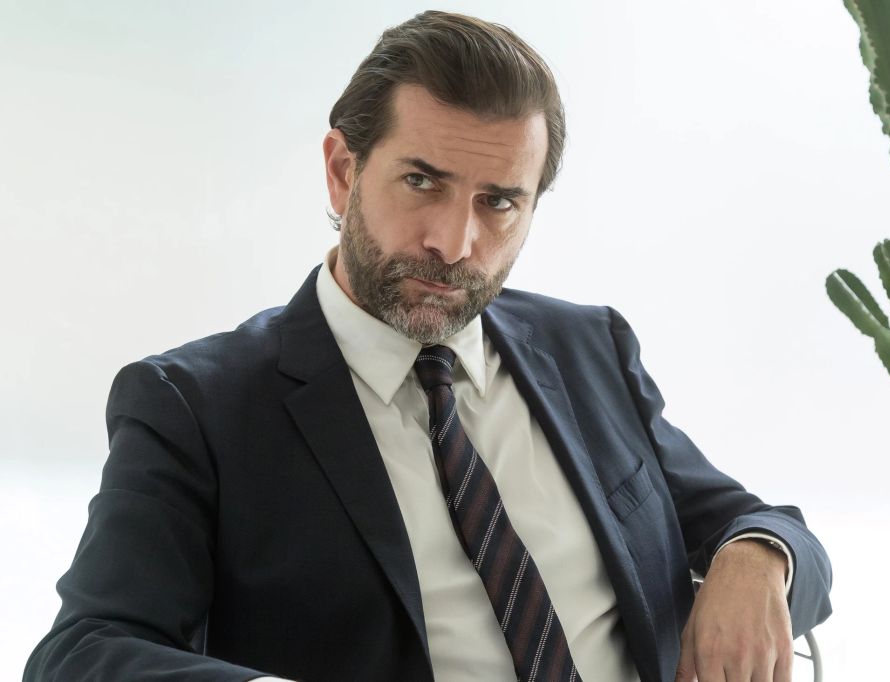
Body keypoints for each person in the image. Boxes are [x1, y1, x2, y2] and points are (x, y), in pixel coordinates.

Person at [24, 10, 831, 682]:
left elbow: (755, 524)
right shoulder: (195, 406)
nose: (454, 241)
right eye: (422, 182)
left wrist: (758, 557)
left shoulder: (589, 347)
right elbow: (83, 652)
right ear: (343, 172)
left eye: (499, 202)